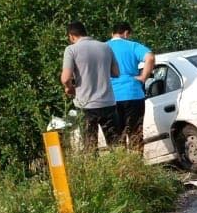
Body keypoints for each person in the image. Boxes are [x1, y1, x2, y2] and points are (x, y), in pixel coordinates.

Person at [59, 22, 119, 147]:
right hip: (108, 103)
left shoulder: (71, 50)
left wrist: (69, 88)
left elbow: (65, 78)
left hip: (86, 106)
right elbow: (116, 73)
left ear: (71, 36)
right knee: (115, 144)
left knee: (90, 147)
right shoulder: (105, 47)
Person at [106, 21, 155, 150]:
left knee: (116, 136)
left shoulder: (104, 47)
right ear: (126, 33)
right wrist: (143, 77)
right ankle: (137, 164)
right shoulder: (133, 46)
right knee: (135, 134)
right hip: (133, 94)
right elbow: (150, 58)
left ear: (112, 33)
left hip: (111, 97)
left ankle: (121, 167)